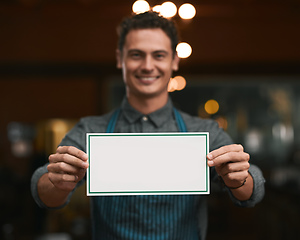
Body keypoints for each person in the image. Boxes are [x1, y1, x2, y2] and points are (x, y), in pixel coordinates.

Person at [31, 11, 265, 239]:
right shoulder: (91, 130)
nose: (147, 65)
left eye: (159, 55)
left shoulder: (204, 132)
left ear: (174, 61)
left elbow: (252, 192)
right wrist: (57, 183)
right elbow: (43, 192)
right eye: (136, 55)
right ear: (119, 59)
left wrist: (240, 178)